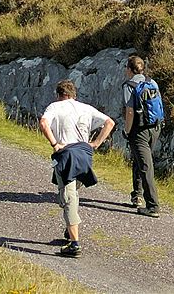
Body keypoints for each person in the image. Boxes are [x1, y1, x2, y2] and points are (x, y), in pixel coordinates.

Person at [39, 80, 115, 257]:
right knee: (73, 192)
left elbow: (43, 123)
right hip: (84, 153)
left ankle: (74, 243)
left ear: (60, 95)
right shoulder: (86, 108)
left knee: (67, 197)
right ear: (73, 95)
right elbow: (109, 123)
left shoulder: (55, 107)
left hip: (67, 153)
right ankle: (70, 228)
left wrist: (55, 143)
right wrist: (95, 143)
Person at [122, 55, 163, 218]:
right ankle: (137, 194)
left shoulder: (129, 85)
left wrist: (127, 130)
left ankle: (152, 206)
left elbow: (129, 111)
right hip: (155, 128)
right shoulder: (152, 82)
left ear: (130, 70)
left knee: (146, 166)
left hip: (139, 130)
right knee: (141, 161)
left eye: (127, 68)